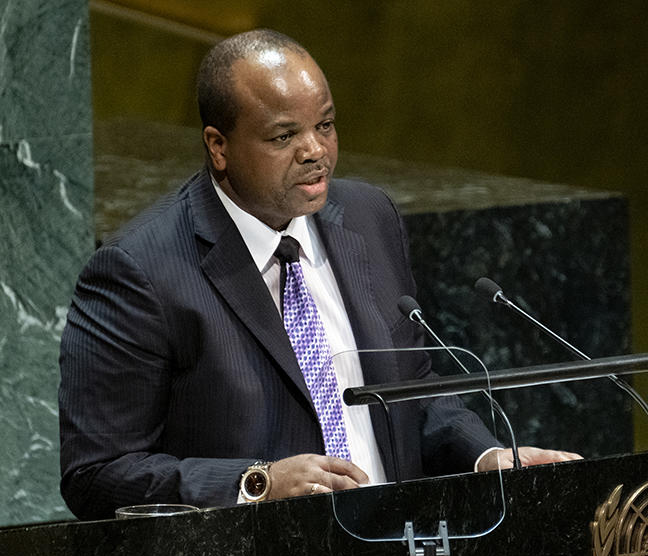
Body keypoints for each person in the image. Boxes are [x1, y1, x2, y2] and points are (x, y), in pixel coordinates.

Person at [58, 29, 579, 521]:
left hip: (397, 546)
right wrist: (256, 484)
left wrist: (486, 456)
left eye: (324, 126)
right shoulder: (139, 271)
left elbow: (413, 386)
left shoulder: (369, 217)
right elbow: (97, 474)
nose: (315, 152)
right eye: (284, 135)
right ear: (218, 146)